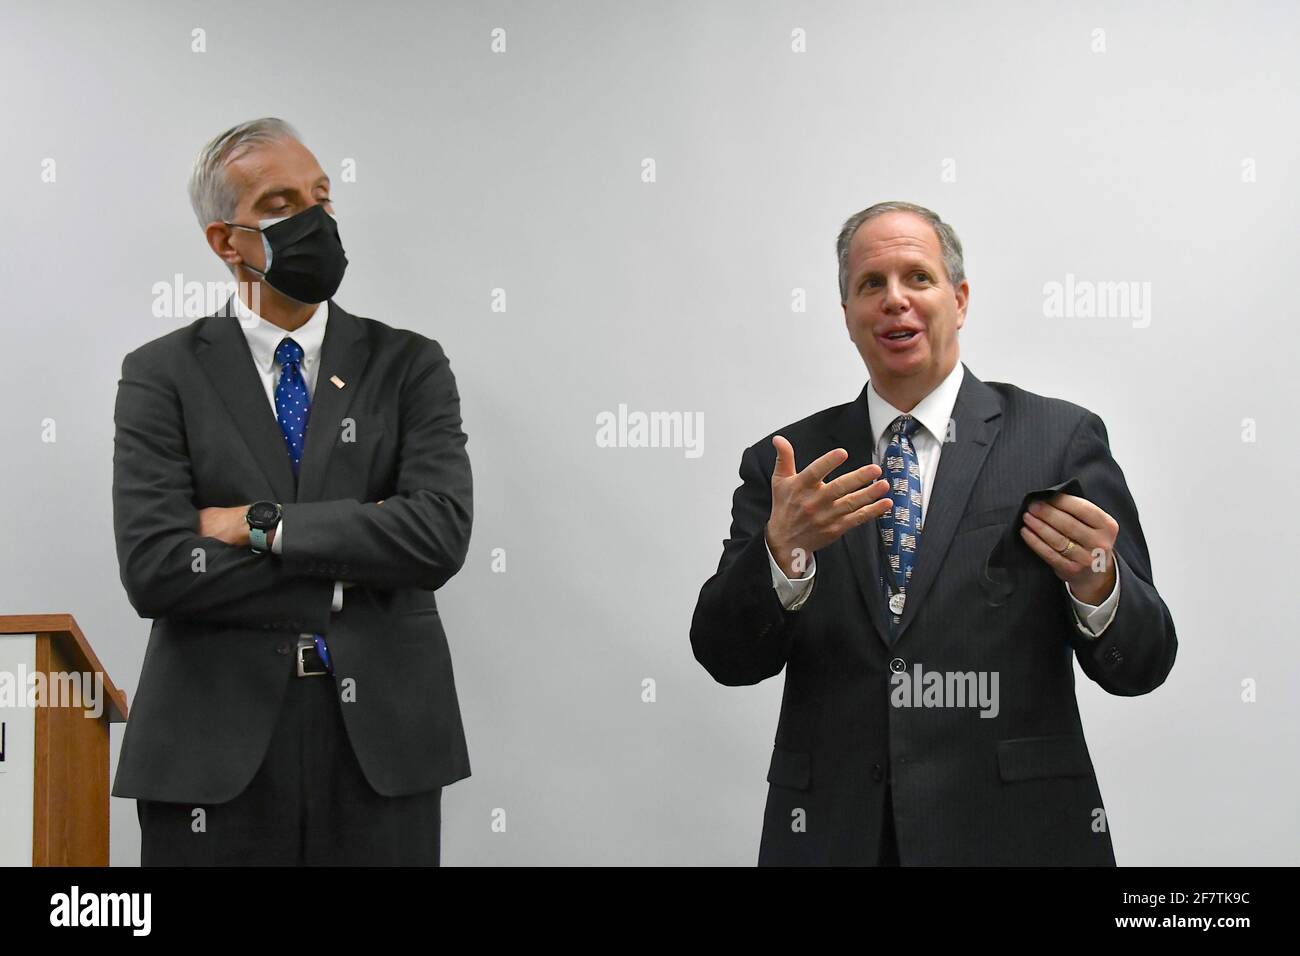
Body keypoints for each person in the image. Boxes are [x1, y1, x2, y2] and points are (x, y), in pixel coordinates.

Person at [689, 201, 1176, 866]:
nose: (895, 301)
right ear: (847, 317)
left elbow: (1143, 665)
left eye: (917, 278)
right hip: (836, 837)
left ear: (960, 298)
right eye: (870, 284)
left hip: (1017, 836)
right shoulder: (789, 466)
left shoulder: (1057, 441)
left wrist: (1099, 584)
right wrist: (781, 555)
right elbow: (725, 657)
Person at [111, 117, 473, 865]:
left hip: (383, 749)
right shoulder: (161, 376)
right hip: (210, 755)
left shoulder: (409, 365)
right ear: (225, 242)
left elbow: (436, 536)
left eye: (321, 196)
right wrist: (349, 566)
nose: (314, 220)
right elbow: (156, 568)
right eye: (279, 205)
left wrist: (258, 524)